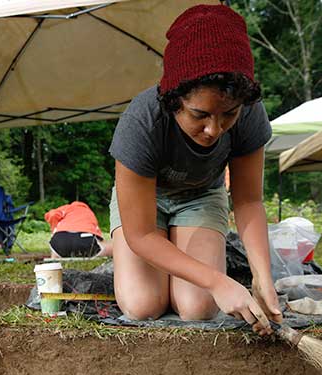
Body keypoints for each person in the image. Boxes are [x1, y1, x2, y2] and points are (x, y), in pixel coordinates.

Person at [108, 4, 281, 335]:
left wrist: (262, 277)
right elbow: (141, 235)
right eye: (199, 115)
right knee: (142, 305)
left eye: (227, 114)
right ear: (174, 100)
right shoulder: (141, 123)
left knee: (198, 307)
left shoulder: (249, 114)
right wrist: (218, 279)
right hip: (146, 203)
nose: (214, 129)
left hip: (201, 196)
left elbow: (247, 201)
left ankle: (182, 277)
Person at [44, 201, 112, 258]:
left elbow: (52, 214)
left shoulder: (66, 208)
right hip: (85, 241)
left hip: (61, 240)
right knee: (111, 247)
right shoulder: (89, 213)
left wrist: (54, 229)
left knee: (56, 244)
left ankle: (53, 263)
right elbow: (98, 235)